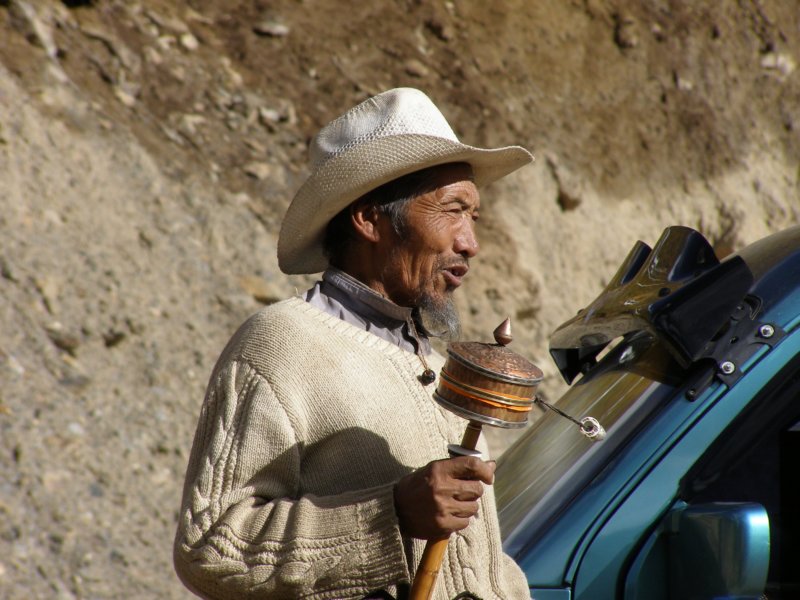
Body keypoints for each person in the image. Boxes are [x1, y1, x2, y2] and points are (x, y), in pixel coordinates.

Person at [174, 87, 534, 599]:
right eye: (452, 211)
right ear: (369, 220)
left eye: (473, 218)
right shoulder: (283, 344)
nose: (470, 243)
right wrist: (390, 517)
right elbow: (209, 547)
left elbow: (474, 564)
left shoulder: (427, 364)